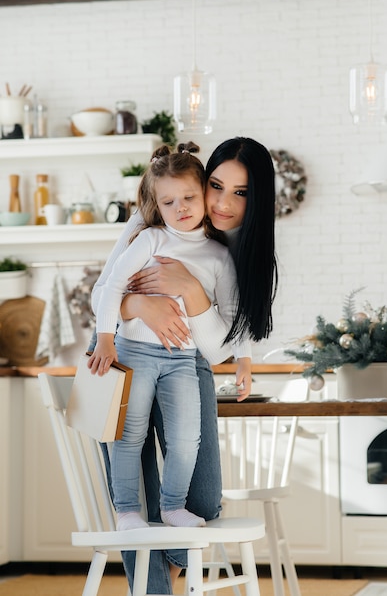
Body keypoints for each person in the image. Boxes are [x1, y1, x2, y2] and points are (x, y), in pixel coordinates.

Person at [91, 136, 278, 594]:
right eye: (215, 185)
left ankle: (162, 581)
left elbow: (218, 351)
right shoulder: (152, 222)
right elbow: (106, 291)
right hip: (123, 355)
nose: (222, 202)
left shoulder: (235, 251)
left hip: (186, 361)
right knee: (136, 487)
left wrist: (192, 291)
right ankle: (153, 592)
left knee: (203, 499)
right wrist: (139, 306)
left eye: (241, 192)